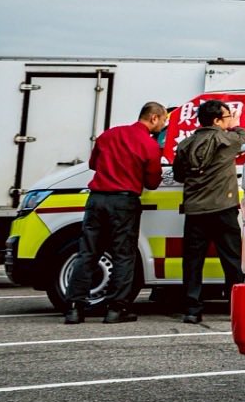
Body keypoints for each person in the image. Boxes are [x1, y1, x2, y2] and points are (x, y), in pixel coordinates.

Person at [65, 101, 169, 324]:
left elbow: (93, 164)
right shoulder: (149, 144)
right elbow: (152, 182)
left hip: (96, 199)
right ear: (154, 118)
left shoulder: (109, 134)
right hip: (124, 202)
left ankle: (74, 308)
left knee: (87, 253)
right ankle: (116, 309)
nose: (163, 124)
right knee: (123, 254)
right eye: (163, 120)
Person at [171, 99, 245, 325]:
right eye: (226, 117)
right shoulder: (227, 140)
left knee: (193, 262)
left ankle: (192, 309)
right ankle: (235, 307)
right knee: (232, 260)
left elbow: (178, 175)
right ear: (217, 121)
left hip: (195, 211)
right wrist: (236, 125)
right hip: (223, 209)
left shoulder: (185, 144)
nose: (229, 120)